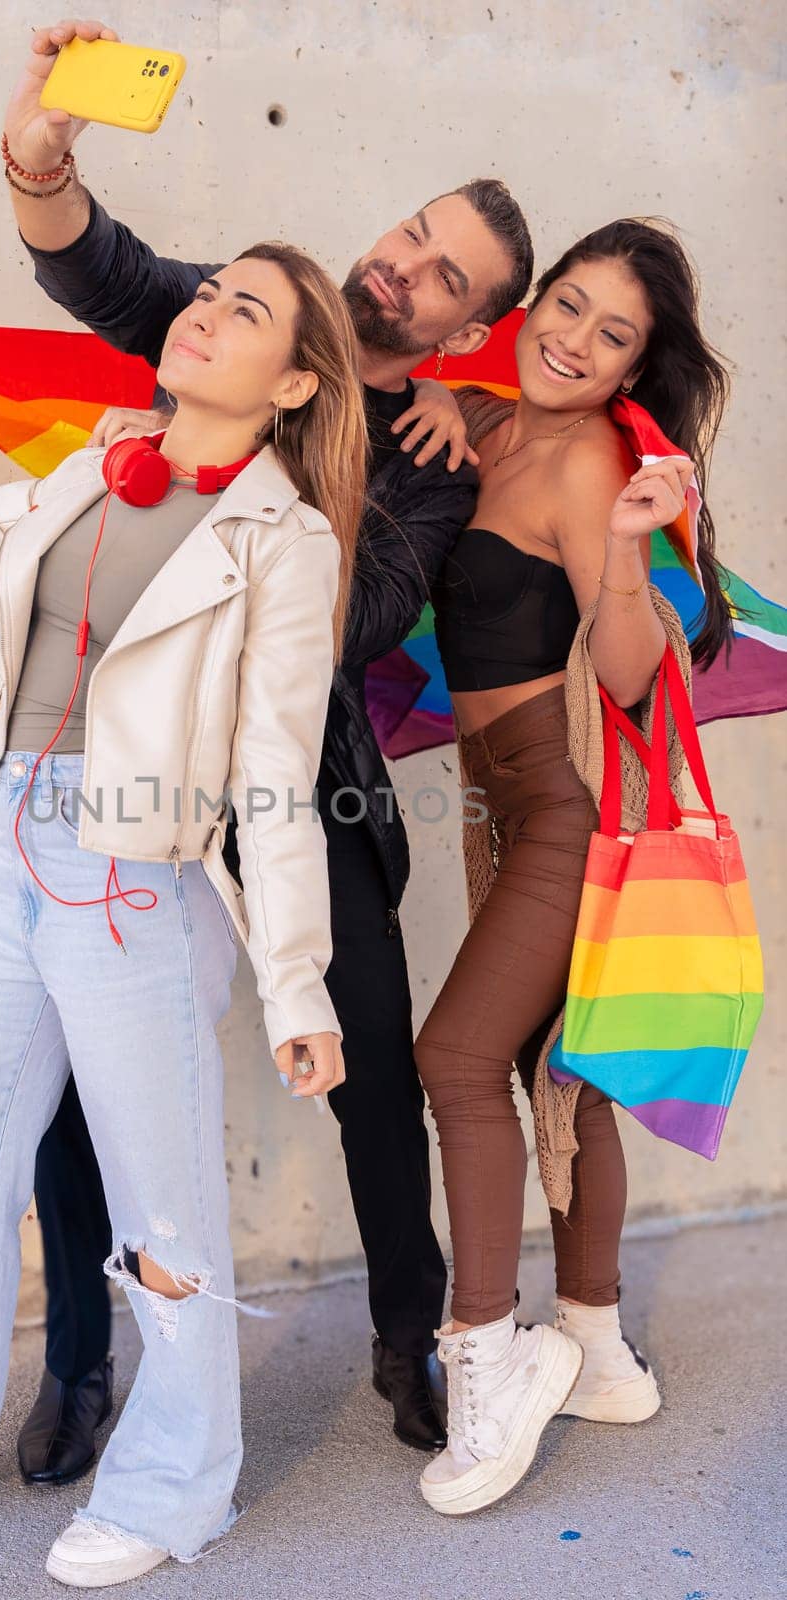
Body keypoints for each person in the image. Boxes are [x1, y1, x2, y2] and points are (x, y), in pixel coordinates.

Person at [2, 16, 535, 1469]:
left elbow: (356, 626)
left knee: (371, 1074)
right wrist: (41, 153)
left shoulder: (431, 460)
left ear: (454, 329)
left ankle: (406, 1337)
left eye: (441, 282)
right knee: (70, 1082)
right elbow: (88, 258)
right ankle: (81, 1367)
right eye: (409, 236)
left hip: (304, 788)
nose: (400, 269)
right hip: (125, 777)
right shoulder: (238, 312)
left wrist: (351, 430)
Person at [0, 238, 367, 1588]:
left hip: (136, 883)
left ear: (291, 382)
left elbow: (274, 780)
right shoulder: (94, 465)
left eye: (246, 311)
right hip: (3, 851)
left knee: (161, 1228)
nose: (206, 315)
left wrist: (296, 986)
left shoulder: (284, 544)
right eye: (208, 293)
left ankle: (177, 1492)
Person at [412, 219, 733, 1516]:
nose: (576, 341)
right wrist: (425, 392)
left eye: (614, 336)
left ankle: (488, 1365)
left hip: (559, 810)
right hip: (490, 811)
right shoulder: (487, 421)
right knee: (566, 1070)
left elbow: (628, 669)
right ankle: (597, 1348)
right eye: (569, 306)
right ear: (532, 298)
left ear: (632, 369)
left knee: (454, 1057)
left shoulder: (596, 459)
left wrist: (623, 546)